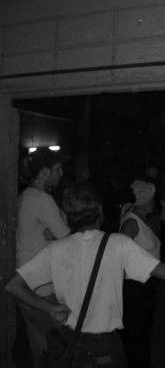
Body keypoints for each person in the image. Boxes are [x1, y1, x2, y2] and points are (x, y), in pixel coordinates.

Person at [6, 182, 165, 367]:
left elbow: (13, 286)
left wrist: (50, 308)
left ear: (68, 215)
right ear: (99, 210)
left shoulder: (55, 249)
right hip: (105, 350)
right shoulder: (118, 244)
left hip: (71, 344)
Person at [15, 148, 70, 366]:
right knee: (57, 349)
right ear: (45, 172)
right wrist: (57, 236)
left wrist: (52, 236)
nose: (62, 173)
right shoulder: (42, 199)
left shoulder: (25, 196)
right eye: (58, 168)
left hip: (27, 283)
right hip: (43, 289)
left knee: (40, 349)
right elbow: (68, 240)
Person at [119, 180, 161, 367]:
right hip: (135, 286)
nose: (154, 202)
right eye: (152, 199)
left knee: (143, 332)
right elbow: (118, 253)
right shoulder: (131, 222)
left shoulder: (144, 220)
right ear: (143, 200)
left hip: (146, 284)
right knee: (136, 333)